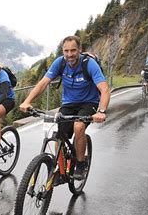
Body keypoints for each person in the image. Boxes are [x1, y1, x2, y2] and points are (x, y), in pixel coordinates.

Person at [19, 35, 110, 181]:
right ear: (62, 51)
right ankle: (60, 169)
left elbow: (105, 90)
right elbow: (43, 83)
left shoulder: (90, 64)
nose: (69, 55)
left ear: (79, 49)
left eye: (73, 50)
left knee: (78, 127)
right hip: (68, 104)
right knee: (58, 133)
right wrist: (27, 101)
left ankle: (80, 164)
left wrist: (101, 111)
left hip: (89, 102)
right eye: (66, 51)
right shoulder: (60, 63)